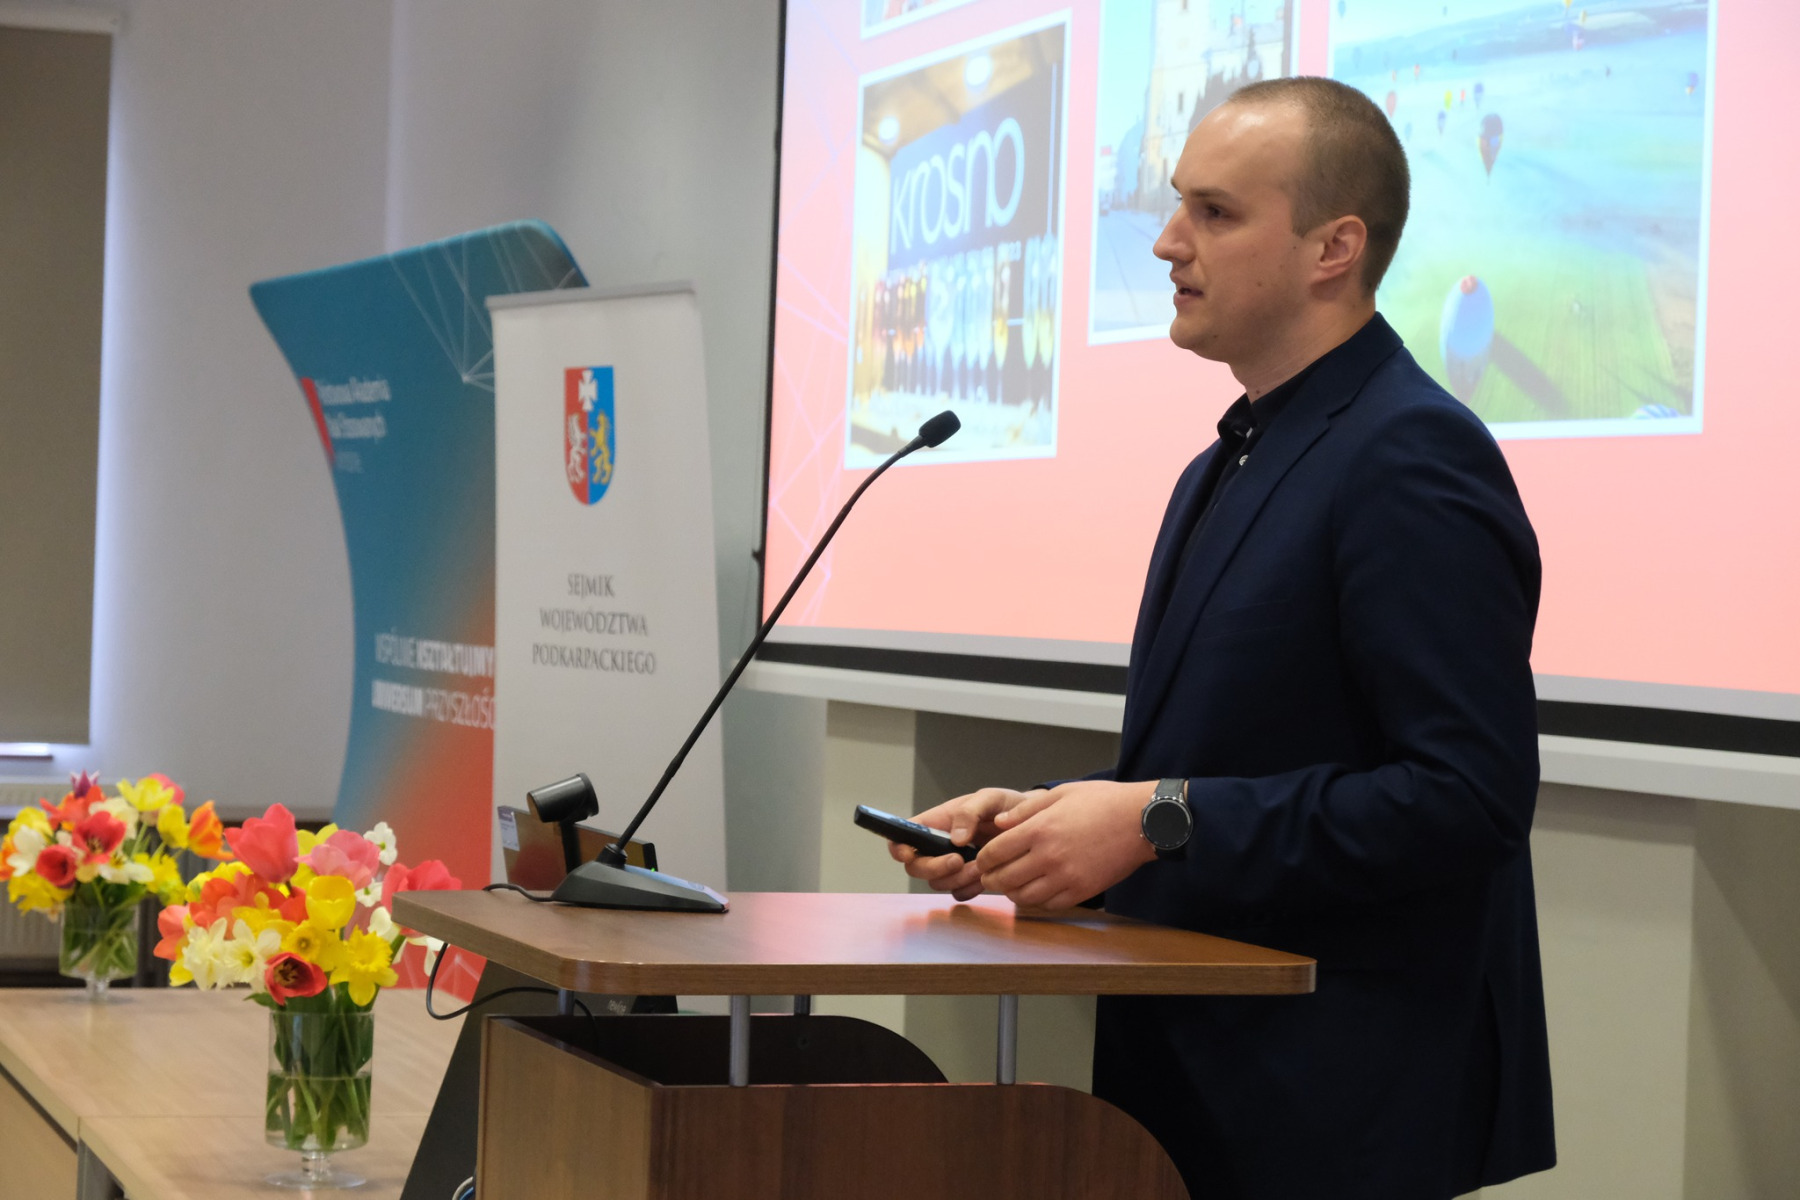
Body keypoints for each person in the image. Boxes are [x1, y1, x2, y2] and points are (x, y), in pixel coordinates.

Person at [888, 77, 1555, 1199]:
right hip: (1199, 1077)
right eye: (1177, 204)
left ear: (1333, 248)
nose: (1166, 242)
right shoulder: (1227, 460)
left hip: (1336, 1099)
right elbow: (1230, 753)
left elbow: (1466, 799)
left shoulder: (1411, 453)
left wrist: (1149, 821)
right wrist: (1049, 821)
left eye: (1215, 212)